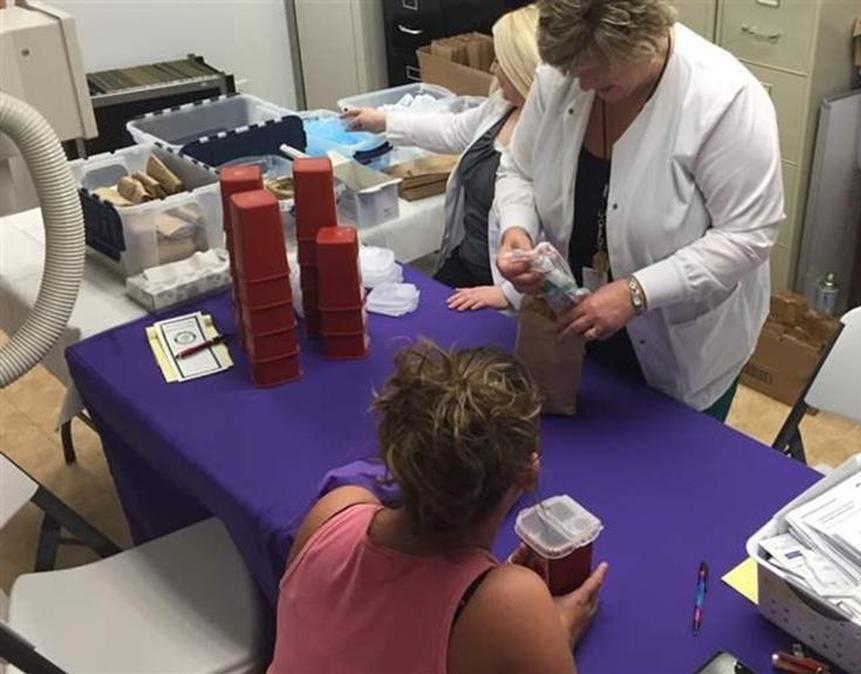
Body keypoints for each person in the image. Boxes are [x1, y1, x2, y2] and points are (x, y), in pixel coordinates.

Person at [495, 0, 784, 422]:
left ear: (650, 39)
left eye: (601, 74)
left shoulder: (725, 99)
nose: (584, 83)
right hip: (579, 322)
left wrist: (637, 292)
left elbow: (748, 236)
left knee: (664, 471)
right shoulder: (565, 74)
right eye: (574, 71)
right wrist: (516, 230)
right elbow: (518, 170)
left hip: (681, 344)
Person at [270, 344, 608, 674]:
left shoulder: (335, 509)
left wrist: (486, 595)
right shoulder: (514, 603)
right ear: (529, 473)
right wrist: (552, 634)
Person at [343, 5, 540, 312]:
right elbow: (452, 130)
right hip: (467, 261)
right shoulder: (501, 105)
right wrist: (383, 120)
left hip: (510, 287)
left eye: (500, 61)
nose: (491, 69)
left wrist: (509, 295)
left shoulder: (553, 138)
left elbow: (561, 240)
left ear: (523, 68)